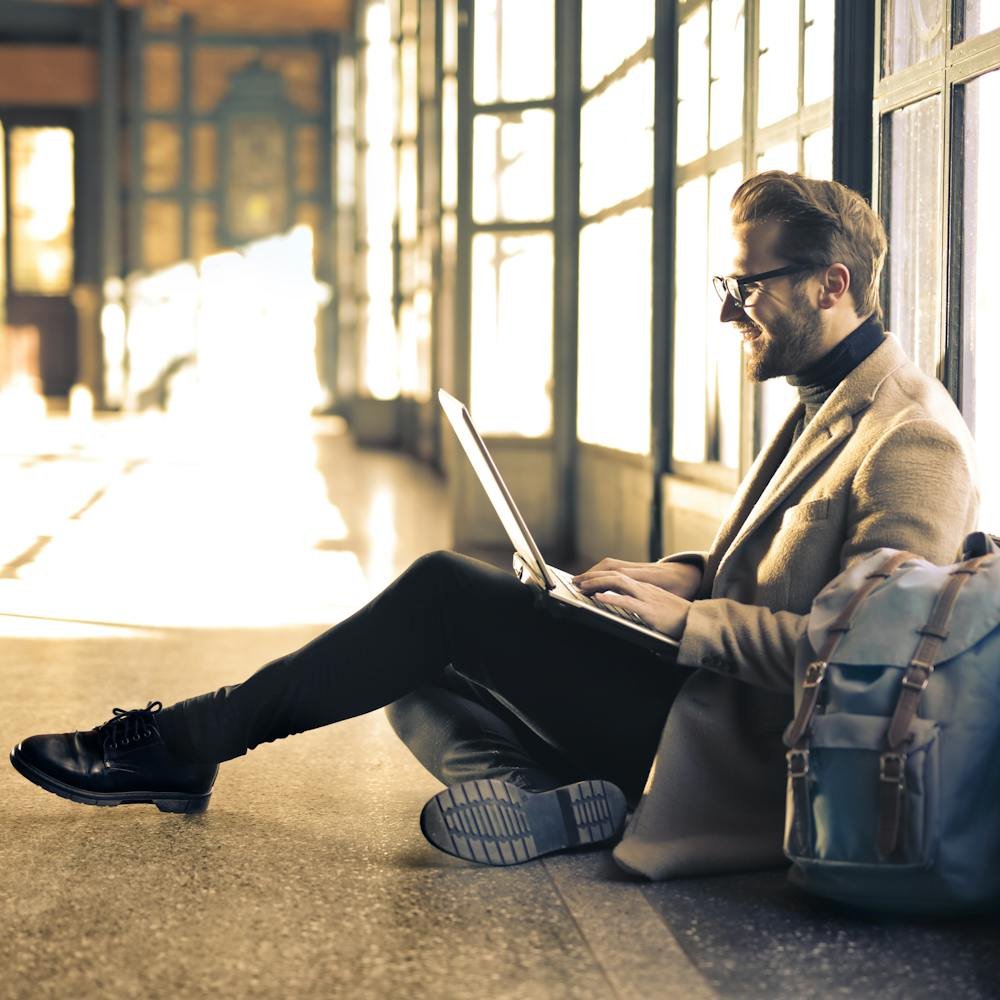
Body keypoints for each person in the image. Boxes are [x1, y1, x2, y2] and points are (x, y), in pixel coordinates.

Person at [9, 172, 979, 877]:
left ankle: (184, 741)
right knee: (402, 674)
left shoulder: (910, 439)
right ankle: (546, 801)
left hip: (739, 752)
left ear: (831, 282)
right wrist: (677, 575)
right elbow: (779, 568)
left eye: (748, 286)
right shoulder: (829, 394)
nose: (731, 312)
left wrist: (681, 624)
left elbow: (868, 664)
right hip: (692, 695)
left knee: (440, 593)